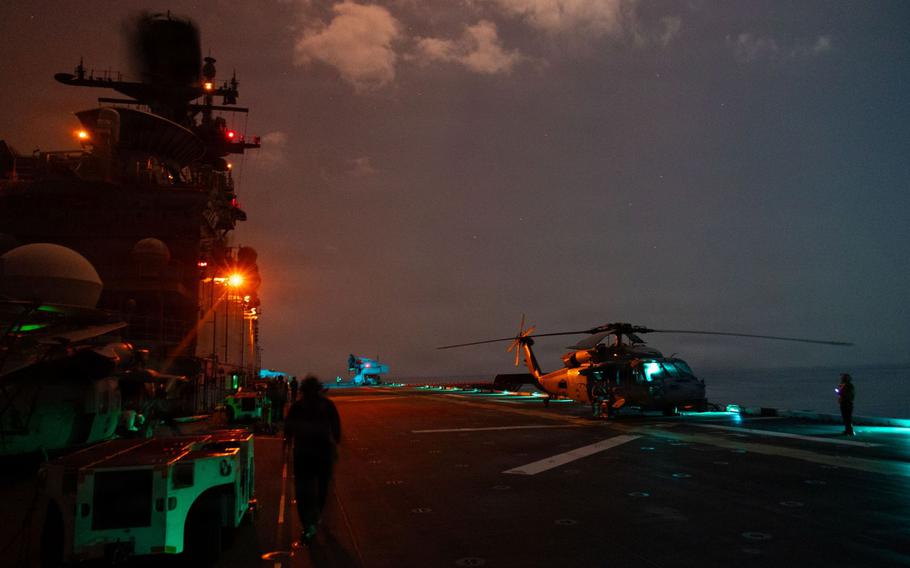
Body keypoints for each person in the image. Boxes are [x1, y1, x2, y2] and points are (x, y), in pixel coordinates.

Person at [284, 375, 341, 543]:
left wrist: (287, 445)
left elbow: (288, 429)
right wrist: (336, 443)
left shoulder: (297, 406)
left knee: (302, 491)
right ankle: (315, 516)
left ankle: (307, 524)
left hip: (302, 453)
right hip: (323, 453)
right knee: (322, 488)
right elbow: (336, 427)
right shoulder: (327, 405)